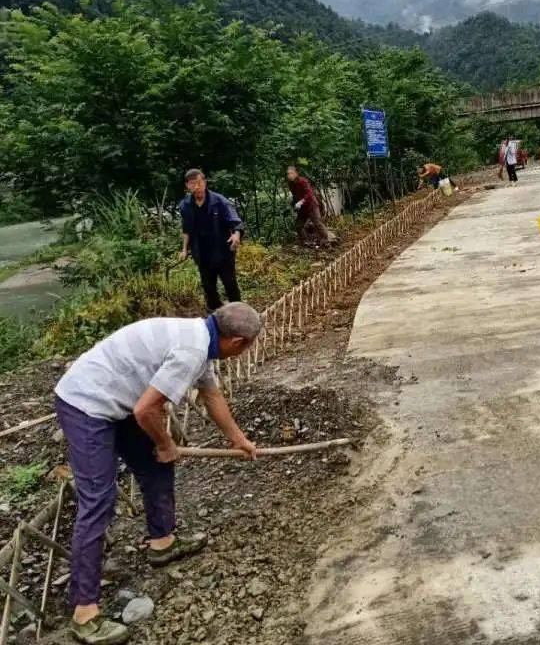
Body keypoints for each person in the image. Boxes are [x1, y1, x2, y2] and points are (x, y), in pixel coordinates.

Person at [54, 303, 262, 644]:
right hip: (85, 403)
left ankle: (162, 543)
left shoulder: (201, 338)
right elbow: (146, 409)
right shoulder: (191, 350)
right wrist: (166, 443)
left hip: (117, 398)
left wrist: (240, 441)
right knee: (98, 501)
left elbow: (211, 395)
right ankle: (84, 614)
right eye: (247, 348)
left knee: (155, 465)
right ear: (237, 342)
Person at [179, 170, 244, 312]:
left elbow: (235, 220)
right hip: (202, 254)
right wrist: (184, 249)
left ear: (204, 182)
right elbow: (186, 229)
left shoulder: (219, 201)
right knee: (209, 288)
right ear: (187, 186)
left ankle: (239, 313)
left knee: (230, 284)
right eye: (192, 183)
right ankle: (217, 315)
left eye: (199, 182)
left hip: (222, 252)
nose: (197, 186)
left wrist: (236, 235)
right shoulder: (185, 205)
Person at [286, 165, 333, 245]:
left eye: (291, 173)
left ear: (296, 173)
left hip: (311, 206)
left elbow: (309, 194)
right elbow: (295, 196)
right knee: (298, 225)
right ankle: (305, 241)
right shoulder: (290, 184)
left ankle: (325, 240)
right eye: (288, 174)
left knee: (317, 222)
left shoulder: (303, 181)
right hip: (302, 209)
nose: (289, 175)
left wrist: (301, 201)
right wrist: (292, 204)